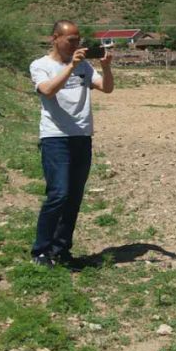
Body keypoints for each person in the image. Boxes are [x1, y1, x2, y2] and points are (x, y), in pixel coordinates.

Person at [29, 20, 114, 267]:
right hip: (55, 137)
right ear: (54, 38)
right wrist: (71, 67)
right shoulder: (40, 65)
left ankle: (61, 249)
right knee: (58, 193)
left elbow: (106, 88)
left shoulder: (85, 66)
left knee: (74, 197)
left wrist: (106, 68)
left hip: (82, 137)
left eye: (78, 40)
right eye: (71, 40)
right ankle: (41, 251)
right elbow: (47, 91)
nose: (76, 44)